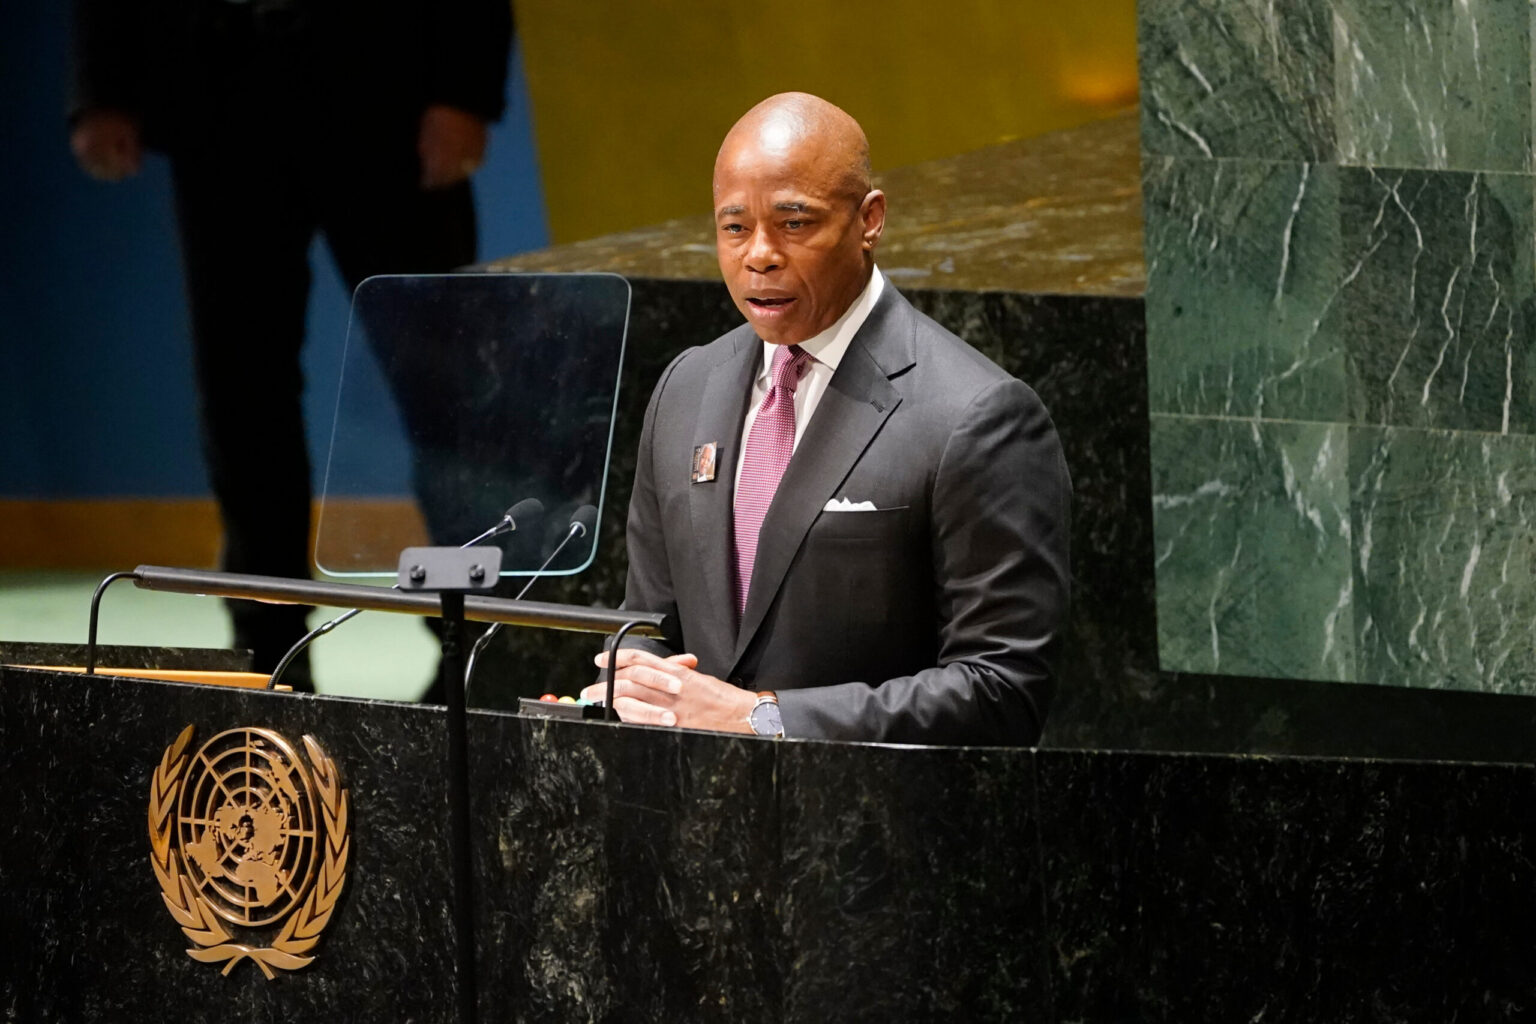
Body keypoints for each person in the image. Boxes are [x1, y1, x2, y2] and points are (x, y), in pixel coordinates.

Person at [583, 93, 1071, 745]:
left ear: (869, 220)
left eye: (794, 225)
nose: (759, 255)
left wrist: (762, 718)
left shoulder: (976, 416)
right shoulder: (686, 388)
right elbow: (649, 622)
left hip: (874, 831)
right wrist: (635, 678)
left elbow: (1002, 690)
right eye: (734, 228)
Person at [69, 0, 513, 690]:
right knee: (240, 397)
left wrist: (464, 90)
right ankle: (268, 654)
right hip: (217, 91)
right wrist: (102, 89)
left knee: (449, 385)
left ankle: (481, 642)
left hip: (385, 85)